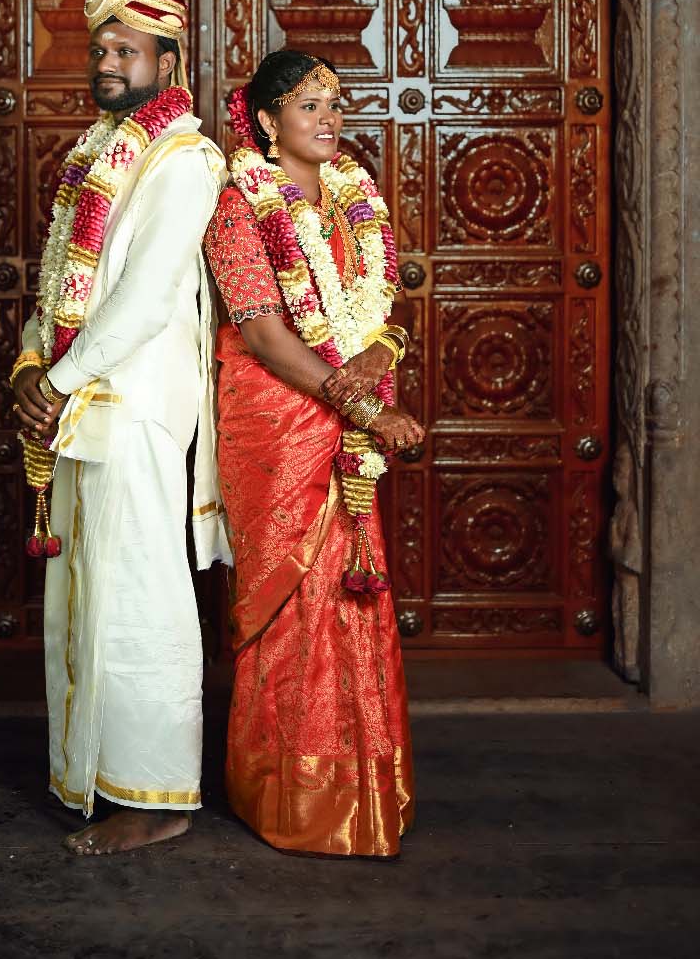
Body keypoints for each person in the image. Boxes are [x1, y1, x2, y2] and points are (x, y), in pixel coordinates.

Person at [12, 0, 230, 856]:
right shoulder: (93, 153)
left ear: (168, 65)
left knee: (140, 588)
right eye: (100, 49)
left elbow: (141, 300)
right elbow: (64, 278)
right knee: (85, 585)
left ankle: (160, 798)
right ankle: (94, 772)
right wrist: (31, 364)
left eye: (128, 51)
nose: (108, 64)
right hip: (74, 398)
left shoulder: (187, 160)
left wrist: (55, 380)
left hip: (134, 405)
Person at [203, 49, 424, 857]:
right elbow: (263, 334)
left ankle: (365, 790)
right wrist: (361, 401)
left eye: (335, 103)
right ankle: (291, 798)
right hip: (277, 423)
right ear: (266, 122)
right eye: (308, 105)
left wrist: (383, 347)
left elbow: (376, 306)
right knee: (296, 598)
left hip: (343, 414)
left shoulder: (352, 197)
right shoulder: (237, 208)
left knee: (352, 592)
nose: (329, 119)